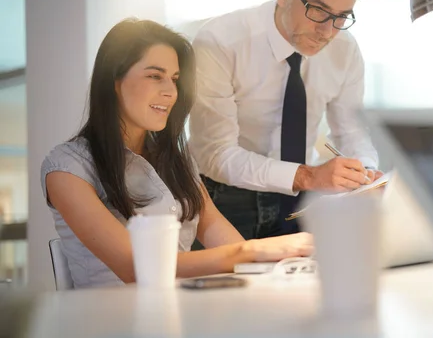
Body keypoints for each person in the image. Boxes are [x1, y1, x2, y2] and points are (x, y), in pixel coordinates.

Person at [41, 19, 312, 289]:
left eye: (174, 79)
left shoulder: (175, 160)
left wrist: (288, 261)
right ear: (114, 79)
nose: (170, 92)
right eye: (154, 76)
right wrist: (252, 251)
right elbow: (136, 269)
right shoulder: (67, 168)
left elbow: (224, 238)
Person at [190, 0, 383, 239]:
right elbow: (217, 154)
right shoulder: (220, 41)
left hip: (303, 201)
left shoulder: (345, 49)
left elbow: (352, 132)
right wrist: (308, 176)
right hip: (223, 200)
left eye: (342, 16)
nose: (328, 32)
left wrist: (367, 174)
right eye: (319, 10)